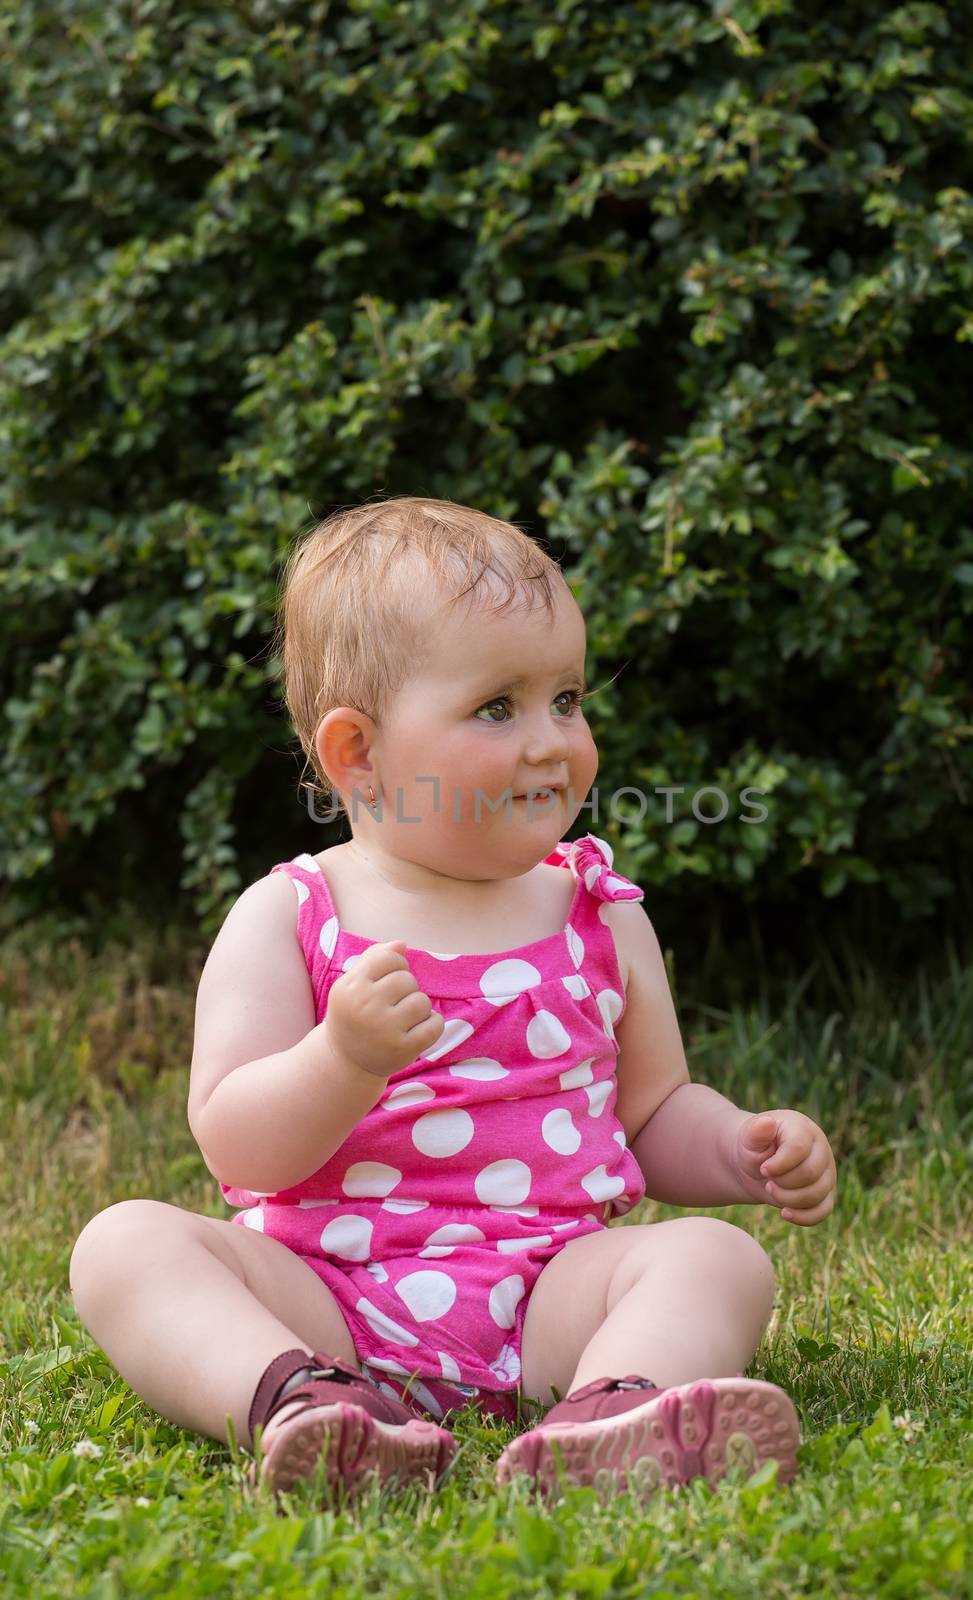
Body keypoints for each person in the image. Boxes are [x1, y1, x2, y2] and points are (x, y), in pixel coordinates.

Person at [68, 495, 837, 1505]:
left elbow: (648, 1116)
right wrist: (341, 1059)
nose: (551, 739)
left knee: (718, 1259)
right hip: (329, 1296)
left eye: (566, 698)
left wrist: (738, 1146)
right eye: (496, 707)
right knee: (125, 1244)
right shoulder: (293, 913)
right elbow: (238, 1149)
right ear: (357, 753)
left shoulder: (597, 912)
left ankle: (608, 1411)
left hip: (550, 1296)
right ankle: (301, 1402)